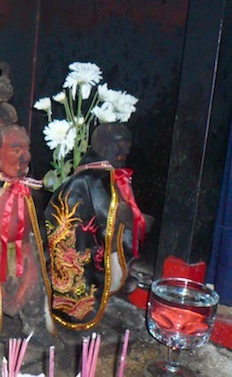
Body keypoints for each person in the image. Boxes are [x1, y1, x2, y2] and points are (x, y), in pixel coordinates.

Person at [44, 122, 150, 330]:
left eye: (128, 145)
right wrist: (134, 220)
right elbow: (107, 213)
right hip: (82, 249)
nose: (125, 151)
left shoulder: (110, 176)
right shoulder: (87, 180)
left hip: (102, 245)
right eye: (120, 144)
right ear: (102, 145)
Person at [0, 125, 56, 344]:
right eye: (16, 150)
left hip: (24, 251)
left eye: (27, 149)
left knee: (33, 290)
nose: (26, 157)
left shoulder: (29, 186)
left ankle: (35, 324)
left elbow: (39, 224)